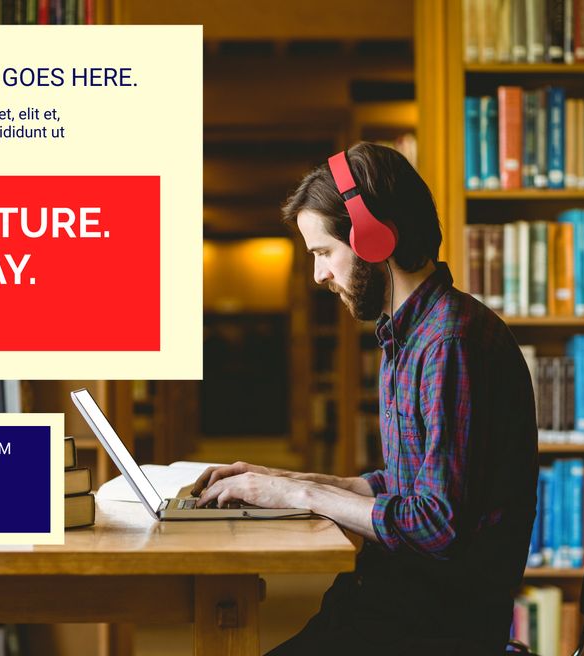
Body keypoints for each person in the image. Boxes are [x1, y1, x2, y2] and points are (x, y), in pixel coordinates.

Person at [192, 142, 538, 655]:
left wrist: (300, 497)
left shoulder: (450, 342)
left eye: (324, 253)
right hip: (392, 603)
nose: (319, 276)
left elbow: (436, 524)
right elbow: (403, 486)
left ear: (373, 240)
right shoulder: (410, 334)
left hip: (431, 628)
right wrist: (280, 480)